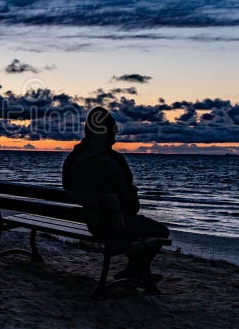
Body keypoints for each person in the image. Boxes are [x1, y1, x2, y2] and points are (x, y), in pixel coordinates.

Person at [62, 106, 169, 283]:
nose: (115, 135)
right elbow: (131, 206)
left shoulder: (72, 159)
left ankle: (135, 270)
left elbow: (68, 188)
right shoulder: (112, 161)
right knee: (161, 231)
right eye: (114, 129)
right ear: (107, 131)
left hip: (92, 224)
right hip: (113, 227)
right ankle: (137, 270)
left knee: (128, 223)